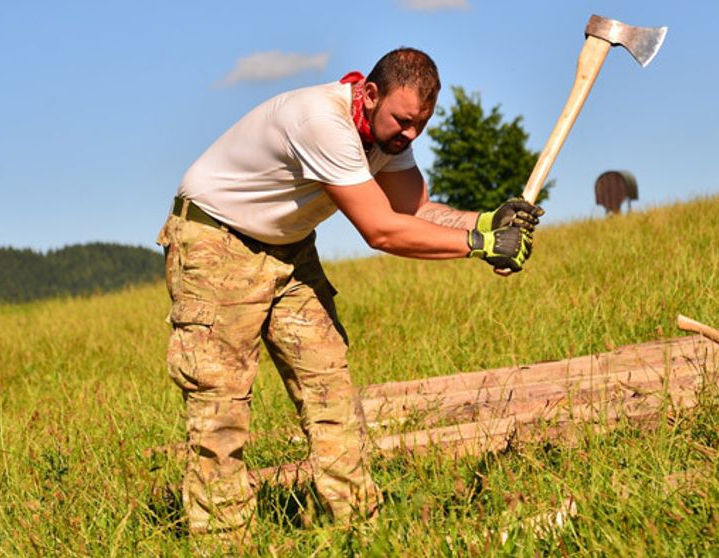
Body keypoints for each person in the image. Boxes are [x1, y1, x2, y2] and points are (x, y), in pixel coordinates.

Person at [155, 47, 544, 539]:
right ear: (370, 93)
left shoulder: (388, 135)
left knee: (329, 387)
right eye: (404, 121)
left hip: (289, 248)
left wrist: (487, 222)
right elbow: (381, 231)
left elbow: (413, 210)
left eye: (421, 125)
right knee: (220, 403)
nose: (410, 135)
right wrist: (479, 244)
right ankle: (223, 540)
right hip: (217, 242)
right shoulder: (322, 122)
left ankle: (360, 527)